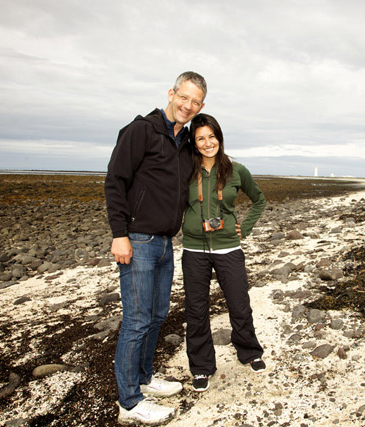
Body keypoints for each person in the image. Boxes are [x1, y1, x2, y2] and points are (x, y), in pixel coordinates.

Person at [104, 71, 206, 425]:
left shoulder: (185, 144)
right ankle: (129, 401)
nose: (188, 106)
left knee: (158, 315)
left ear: (201, 106)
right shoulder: (142, 130)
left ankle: (145, 378)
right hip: (138, 240)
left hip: (165, 243)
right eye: (184, 97)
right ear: (171, 93)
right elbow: (116, 180)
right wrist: (120, 234)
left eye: (195, 102)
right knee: (136, 320)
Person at [180, 113, 267, 393]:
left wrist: (247, 227)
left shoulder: (236, 170)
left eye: (211, 136)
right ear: (194, 143)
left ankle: (250, 352)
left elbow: (259, 199)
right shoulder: (185, 172)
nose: (207, 143)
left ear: (219, 137)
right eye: (200, 138)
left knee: (239, 303)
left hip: (229, 248)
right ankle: (202, 367)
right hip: (193, 250)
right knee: (195, 310)